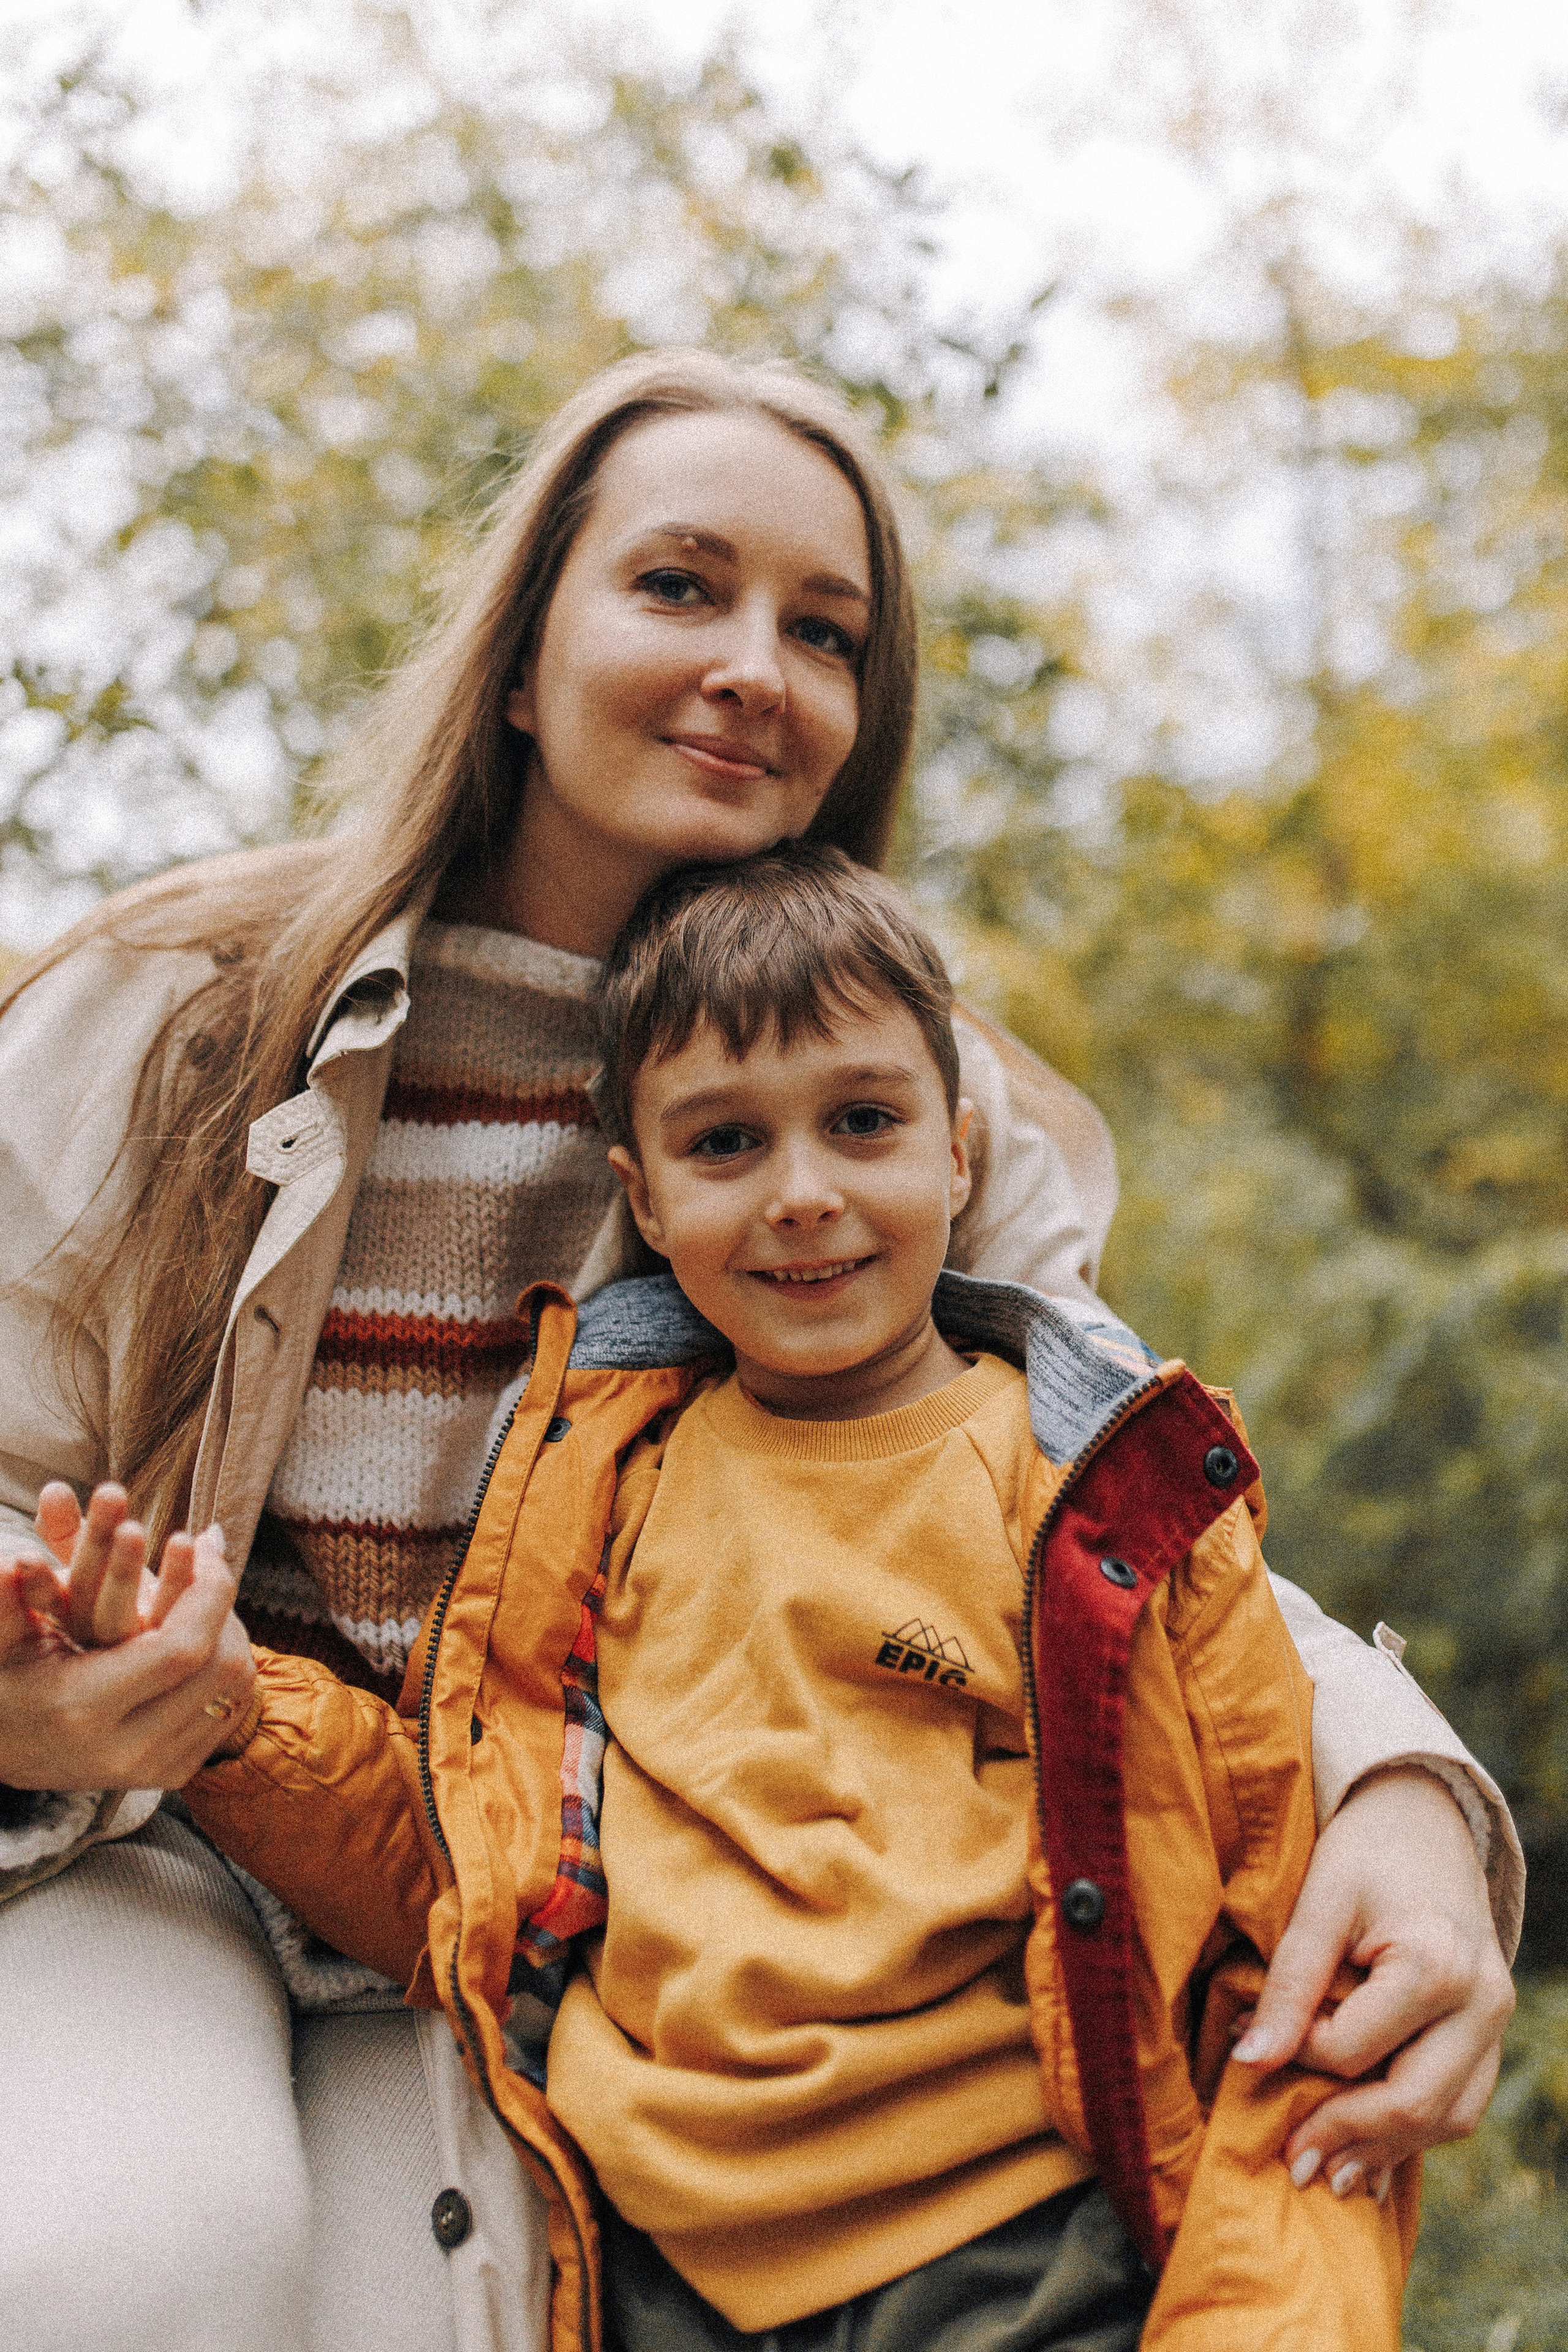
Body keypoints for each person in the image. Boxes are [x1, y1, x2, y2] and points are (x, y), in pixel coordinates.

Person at [0, 350, 1517, 2352]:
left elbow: (1125, 1531)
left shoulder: (908, 1112)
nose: (755, 666)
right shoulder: (177, 1009)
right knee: (126, 2261)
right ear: (521, 657)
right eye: (681, 588)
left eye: (827, 633)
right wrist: (37, 1696)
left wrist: (1409, 1796)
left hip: (593, 1915)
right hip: (166, 1833)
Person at [183, 840, 1422, 2351]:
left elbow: (1265, 1966)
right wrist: (228, 1712)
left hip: (1013, 2255)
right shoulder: (590, 1492)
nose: (801, 1195)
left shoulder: (1091, 1495)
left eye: (861, 1122)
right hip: (650, 2267)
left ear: (957, 1155)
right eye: (724, 1146)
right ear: (639, 1197)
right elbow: (480, 1870)